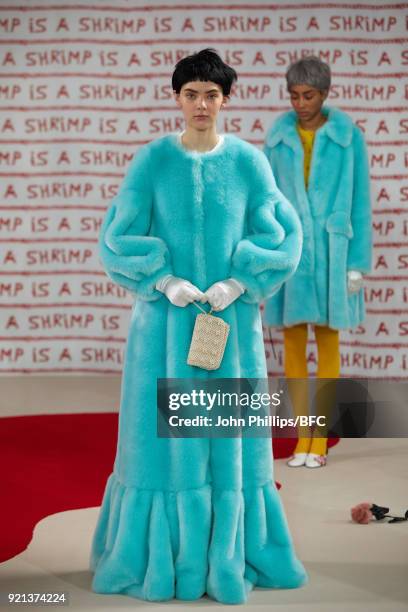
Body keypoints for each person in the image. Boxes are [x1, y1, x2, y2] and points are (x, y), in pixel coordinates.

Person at [89, 48, 308, 604]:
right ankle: (165, 559)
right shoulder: (152, 161)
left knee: (232, 442)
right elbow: (118, 236)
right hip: (163, 333)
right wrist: (164, 282)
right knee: (160, 444)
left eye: (212, 95)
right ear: (176, 98)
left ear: (225, 99)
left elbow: (283, 231)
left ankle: (229, 555)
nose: (202, 104)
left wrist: (240, 282)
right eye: (191, 94)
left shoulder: (248, 162)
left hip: (230, 329)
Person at [263, 56, 372, 469]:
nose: (300, 103)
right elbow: (265, 203)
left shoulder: (347, 138)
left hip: (332, 253)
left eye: (308, 95)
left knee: (328, 345)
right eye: (294, 95)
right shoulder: (276, 140)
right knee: (292, 346)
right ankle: (302, 436)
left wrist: (356, 263)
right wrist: (268, 256)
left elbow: (359, 201)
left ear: (325, 94)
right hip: (292, 254)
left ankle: (320, 441)